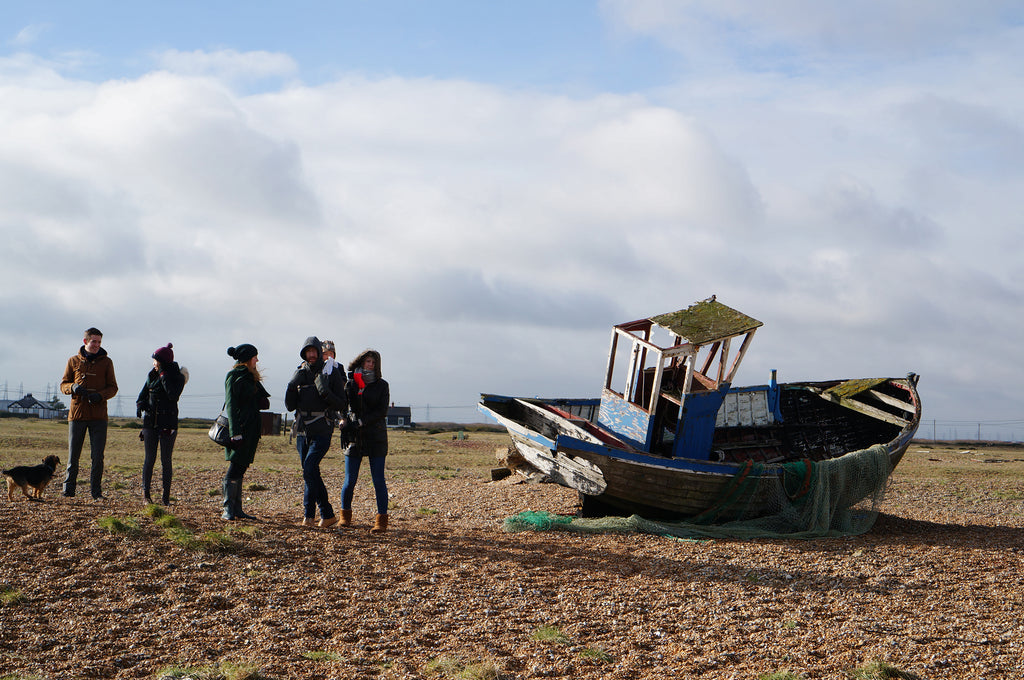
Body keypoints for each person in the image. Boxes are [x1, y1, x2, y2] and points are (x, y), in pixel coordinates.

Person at [285, 336, 347, 528]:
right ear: (304, 353)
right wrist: (290, 387)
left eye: (314, 351)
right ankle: (311, 516)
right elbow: (289, 406)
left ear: (319, 353)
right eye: (307, 352)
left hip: (322, 428)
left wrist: (325, 391)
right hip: (302, 430)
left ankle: (324, 512)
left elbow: (342, 403)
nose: (311, 355)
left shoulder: (331, 372)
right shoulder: (300, 372)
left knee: (309, 468)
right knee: (309, 472)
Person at [60, 327, 118, 499]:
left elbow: (113, 387)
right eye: (94, 341)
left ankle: (96, 493)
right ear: (85, 341)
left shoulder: (107, 362)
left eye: (99, 342)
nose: (96, 345)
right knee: (73, 456)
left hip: (99, 416)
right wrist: (73, 387)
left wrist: (100, 396)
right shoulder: (73, 361)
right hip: (77, 415)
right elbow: (63, 385)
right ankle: (68, 491)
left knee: (97, 457)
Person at [339, 349, 390, 533]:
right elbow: (343, 406)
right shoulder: (351, 383)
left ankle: (381, 521)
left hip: (376, 436)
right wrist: (343, 420)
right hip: (354, 436)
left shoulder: (382, 385)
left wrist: (360, 422)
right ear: (360, 362)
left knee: (378, 480)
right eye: (368, 361)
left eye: (373, 363)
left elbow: (381, 412)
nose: (370, 365)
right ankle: (344, 516)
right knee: (349, 480)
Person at [222, 344, 270, 521]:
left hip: (251, 429)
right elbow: (231, 405)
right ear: (248, 358)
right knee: (235, 467)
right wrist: (235, 432)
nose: (257, 360)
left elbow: (261, 401)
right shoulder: (233, 376)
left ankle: (237, 509)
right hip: (240, 429)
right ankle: (228, 508)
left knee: (241, 467)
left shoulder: (251, 377)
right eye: (255, 357)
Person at [136, 343, 187, 505]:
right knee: (149, 459)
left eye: (156, 361)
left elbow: (172, 395)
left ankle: (165, 498)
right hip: (150, 423)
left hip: (168, 424)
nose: (153, 364)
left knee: (166, 460)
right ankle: (146, 495)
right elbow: (143, 394)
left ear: (163, 362)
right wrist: (140, 405)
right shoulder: (151, 375)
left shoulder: (178, 377)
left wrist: (164, 376)